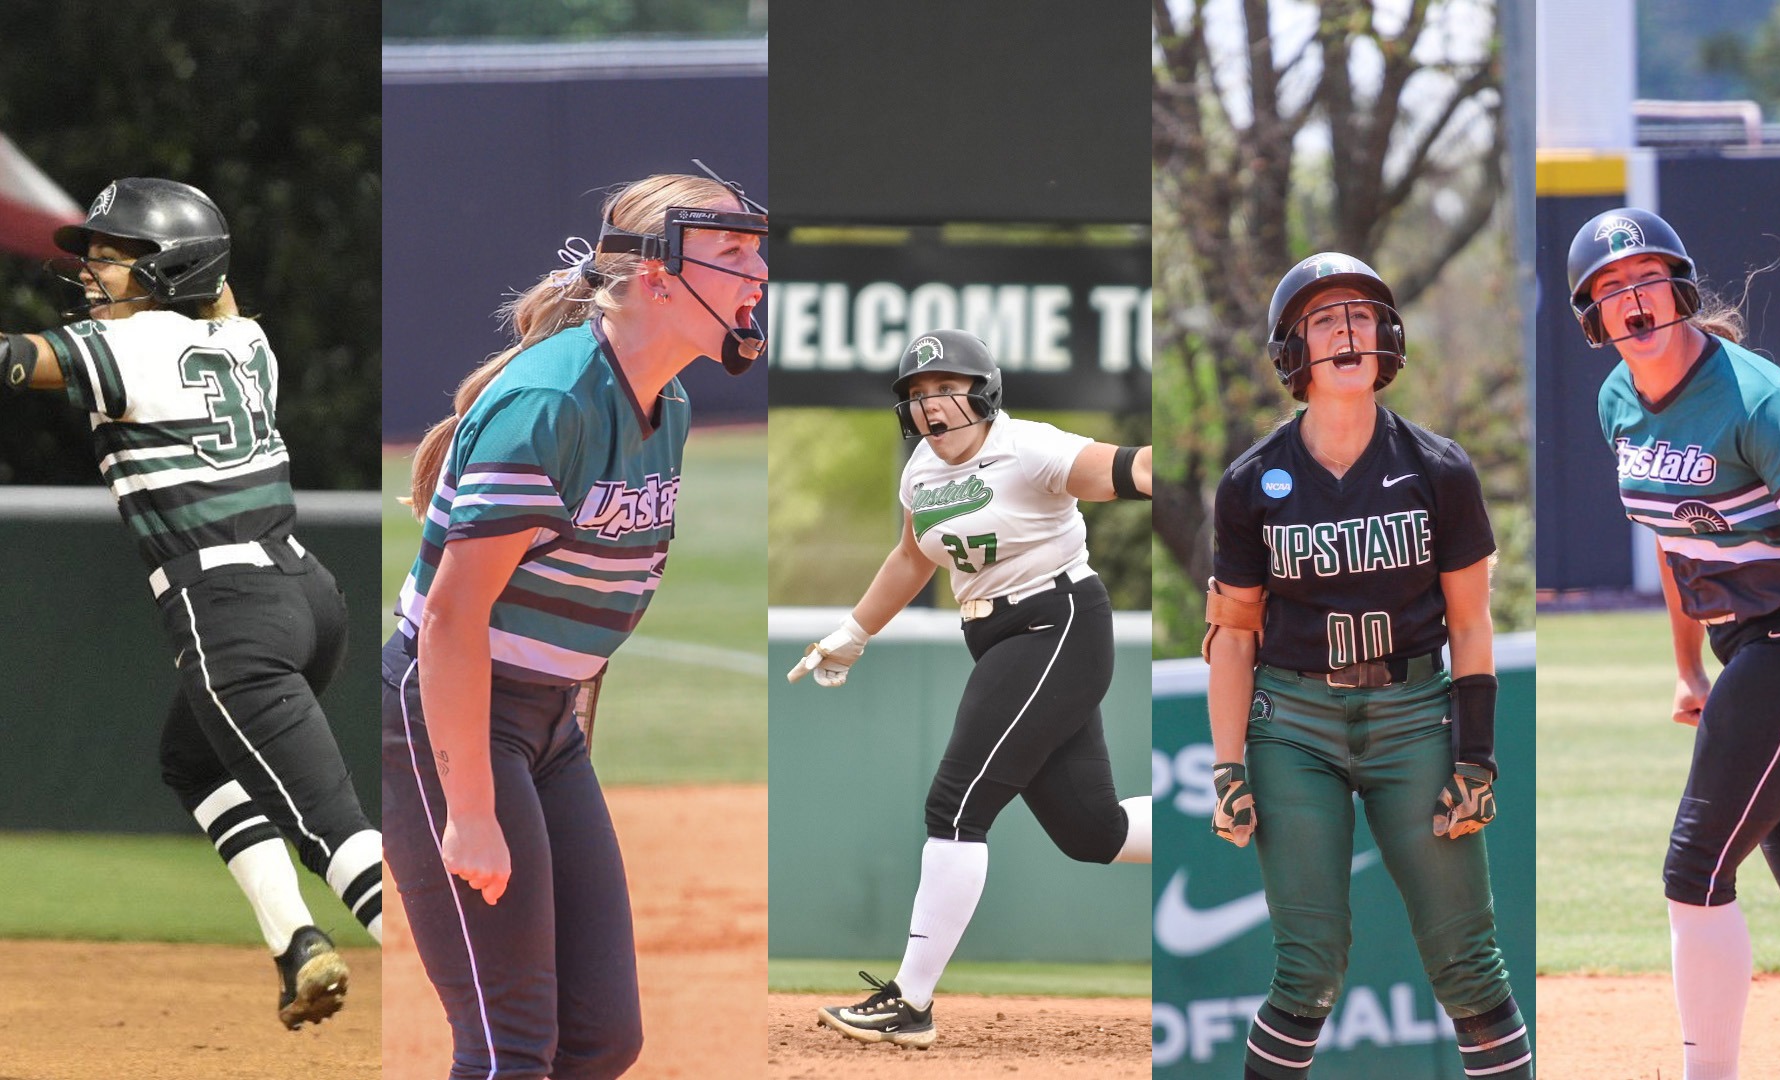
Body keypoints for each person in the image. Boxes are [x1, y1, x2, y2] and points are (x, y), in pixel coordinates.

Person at [384, 167, 766, 1080]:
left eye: (758, 254)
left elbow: (603, 591)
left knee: (600, 1040)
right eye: (734, 255)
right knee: (510, 1048)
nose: (758, 277)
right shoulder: (552, 403)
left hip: (547, 729)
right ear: (660, 276)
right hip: (452, 718)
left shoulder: (664, 398)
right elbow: (450, 621)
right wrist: (469, 808)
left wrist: (568, 727)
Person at [0, 177, 384, 1028]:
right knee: (194, 761)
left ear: (173, 270)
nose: (94, 276)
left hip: (230, 611)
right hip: (309, 599)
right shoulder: (248, 344)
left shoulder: (132, 353)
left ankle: (470, 998)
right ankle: (296, 945)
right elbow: (217, 303)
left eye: (114, 260)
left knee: (338, 835)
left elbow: (18, 360)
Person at [1566, 208, 1780, 1080]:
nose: (1633, 301)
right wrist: (1686, 667)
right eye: (1611, 290)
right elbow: (1672, 536)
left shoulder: (1760, 400)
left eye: (1647, 279)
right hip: (1743, 644)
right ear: (1593, 319)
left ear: (1679, 288)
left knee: (1695, 873)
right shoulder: (1619, 400)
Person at [1203, 253, 1534, 1079]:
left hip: (1415, 712)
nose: (1346, 330)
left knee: (1469, 962)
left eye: (1360, 315)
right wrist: (1226, 765)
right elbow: (1235, 635)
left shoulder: (1439, 468)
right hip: (1295, 724)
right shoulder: (1250, 483)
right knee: (1308, 969)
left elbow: (1469, 621)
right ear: (1292, 353)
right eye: (1323, 320)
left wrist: (1477, 754)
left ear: (1386, 339)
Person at [789, 328, 1153, 1049]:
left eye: (946, 387)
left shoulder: (1030, 449)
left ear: (982, 390)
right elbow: (908, 557)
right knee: (1093, 833)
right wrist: (854, 631)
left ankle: (911, 1001)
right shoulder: (921, 470)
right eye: (918, 394)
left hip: (1057, 623)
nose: (931, 405)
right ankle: (1219, 813)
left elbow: (1129, 468)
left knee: (954, 806)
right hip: (994, 637)